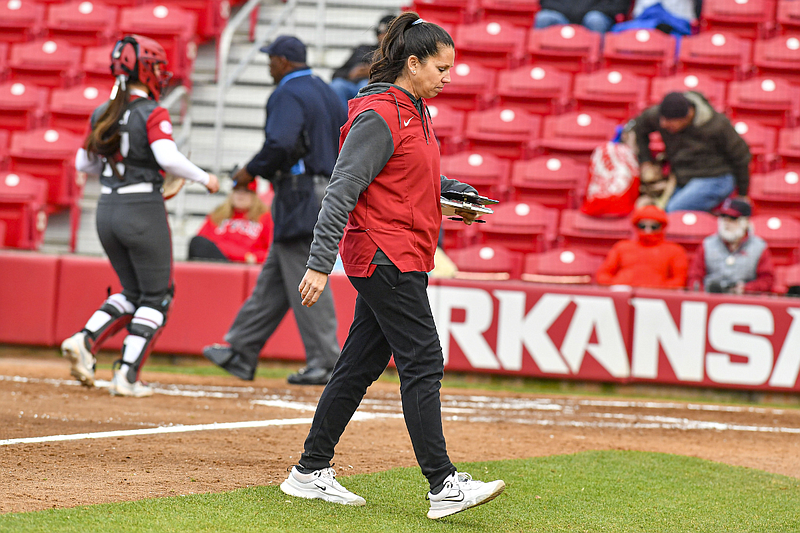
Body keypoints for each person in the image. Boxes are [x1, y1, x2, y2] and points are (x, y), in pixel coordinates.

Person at [278, 13, 505, 519]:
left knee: (357, 367)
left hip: (398, 251)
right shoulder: (380, 114)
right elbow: (342, 189)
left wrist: (450, 196)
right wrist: (318, 264)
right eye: (442, 68)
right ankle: (443, 484)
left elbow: (399, 183)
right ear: (414, 63)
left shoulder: (413, 109)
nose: (449, 77)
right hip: (385, 255)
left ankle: (309, 471)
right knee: (423, 361)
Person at [60, 35, 220, 397]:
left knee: (133, 292)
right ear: (147, 69)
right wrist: (204, 178)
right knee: (157, 296)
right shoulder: (151, 112)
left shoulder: (104, 111)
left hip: (106, 210)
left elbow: (83, 162)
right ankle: (127, 376)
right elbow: (166, 157)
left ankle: (85, 339)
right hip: (141, 211)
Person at [202, 35, 346, 386]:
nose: (268, 65)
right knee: (278, 275)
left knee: (308, 272)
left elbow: (281, 142)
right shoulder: (327, 91)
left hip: (300, 194)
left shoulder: (287, 91)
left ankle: (328, 361)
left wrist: (250, 170)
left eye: (270, 59)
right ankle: (242, 350)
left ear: (283, 61)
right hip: (328, 187)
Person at [631, 91, 752, 213]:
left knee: (673, 211)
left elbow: (741, 155)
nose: (663, 124)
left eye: (669, 121)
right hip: (682, 177)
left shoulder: (717, 125)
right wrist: (646, 161)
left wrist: (742, 194)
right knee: (652, 211)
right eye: (662, 119)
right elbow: (638, 127)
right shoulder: (661, 115)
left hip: (716, 177)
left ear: (687, 117)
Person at [687, 198, 775, 294]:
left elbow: (767, 280)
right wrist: (701, 292)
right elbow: (694, 277)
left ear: (745, 222)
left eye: (733, 219)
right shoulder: (707, 244)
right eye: (723, 217)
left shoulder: (759, 247)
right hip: (710, 298)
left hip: (745, 303)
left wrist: (746, 288)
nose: (726, 223)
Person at [596, 204, 688, 288]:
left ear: (662, 226)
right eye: (643, 226)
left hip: (656, 300)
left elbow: (679, 280)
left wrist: (658, 290)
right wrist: (616, 286)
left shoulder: (674, 250)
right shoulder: (622, 247)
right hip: (622, 296)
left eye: (654, 226)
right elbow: (603, 274)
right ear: (636, 226)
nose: (648, 230)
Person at [187, 180, 273, 264]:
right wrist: (243, 256)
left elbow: (272, 252)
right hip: (219, 263)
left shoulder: (265, 217)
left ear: (254, 195)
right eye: (237, 191)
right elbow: (202, 242)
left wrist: (254, 258)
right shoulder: (218, 214)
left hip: (245, 267)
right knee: (197, 242)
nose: (241, 195)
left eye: (246, 191)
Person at [329, 14, 395, 109]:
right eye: (380, 32)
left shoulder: (395, 55)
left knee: (365, 86)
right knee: (337, 85)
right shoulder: (363, 48)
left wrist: (372, 73)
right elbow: (335, 74)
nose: (382, 36)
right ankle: (343, 121)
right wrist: (351, 73)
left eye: (386, 33)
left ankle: (360, 122)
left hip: (373, 89)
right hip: (351, 85)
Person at [534, 0, 632, 33]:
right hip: (562, 16)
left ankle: (596, 61)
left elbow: (619, 6)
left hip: (596, 15)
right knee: (544, 18)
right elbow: (545, 2)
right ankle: (540, 66)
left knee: (595, 20)